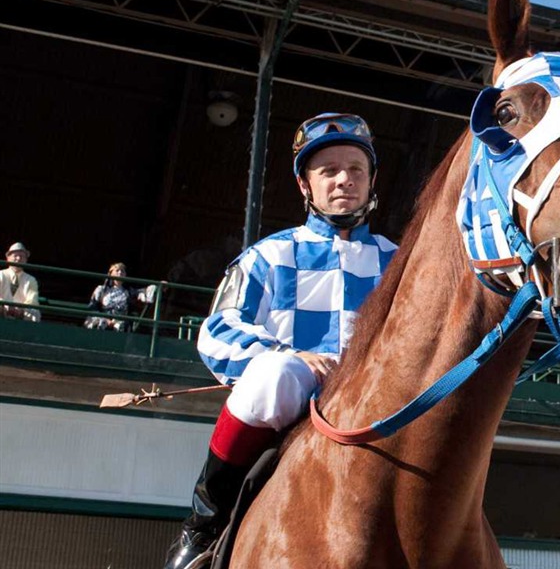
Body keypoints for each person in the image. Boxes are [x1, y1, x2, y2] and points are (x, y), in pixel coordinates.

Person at [163, 113, 398, 569]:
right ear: (305, 185)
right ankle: (204, 522)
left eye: (356, 169)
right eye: (329, 171)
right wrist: (290, 356)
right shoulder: (267, 256)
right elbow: (217, 332)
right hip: (290, 403)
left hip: (376, 408)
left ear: (371, 180)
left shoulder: (399, 262)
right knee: (275, 375)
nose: (344, 180)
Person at [85, 262, 132, 331]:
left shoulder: (128, 291)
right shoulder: (101, 289)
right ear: (111, 273)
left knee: (122, 325)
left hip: (120, 320)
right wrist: (105, 319)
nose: (120, 272)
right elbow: (92, 307)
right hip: (103, 317)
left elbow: (140, 293)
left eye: (122, 271)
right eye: (117, 270)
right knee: (100, 323)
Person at [0, 242, 40, 322]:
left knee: (35, 312)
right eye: (15, 256)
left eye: (21, 256)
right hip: (2, 310)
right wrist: (6, 306)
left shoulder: (31, 279)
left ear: (26, 260)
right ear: (8, 258)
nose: (18, 258)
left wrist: (20, 310)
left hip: (22, 313)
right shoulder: (1, 274)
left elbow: (32, 300)